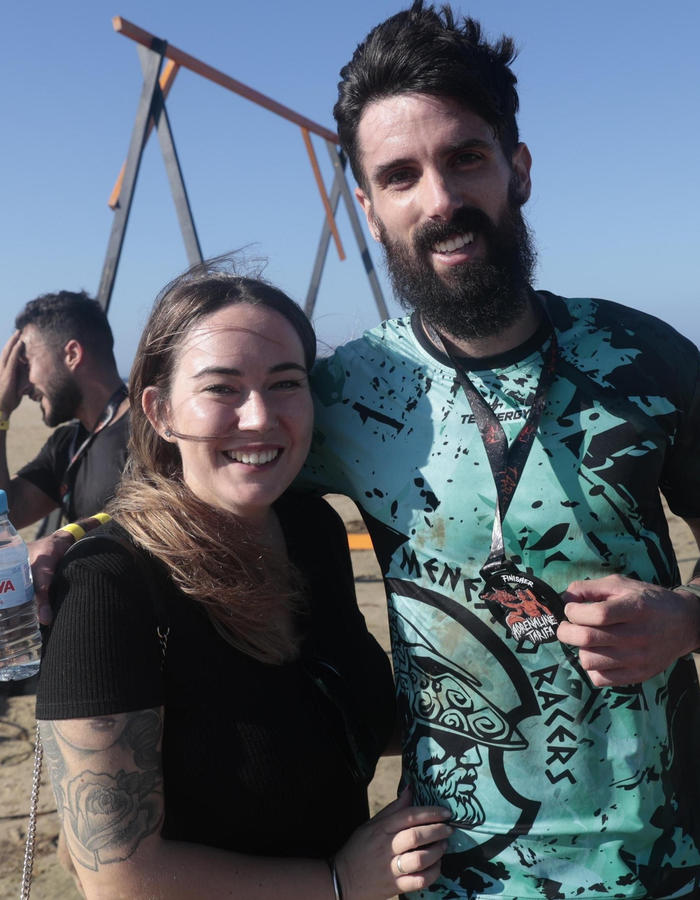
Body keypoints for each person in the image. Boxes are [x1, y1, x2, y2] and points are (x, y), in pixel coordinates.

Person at [0, 5, 700, 896]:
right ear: (369, 209)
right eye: (400, 176)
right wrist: (63, 550)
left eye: (466, 157)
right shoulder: (339, 393)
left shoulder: (647, 359)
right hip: (454, 868)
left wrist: (695, 616)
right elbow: (200, 480)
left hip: (668, 862)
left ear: (518, 168)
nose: (441, 201)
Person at [32, 265, 453, 899]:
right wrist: (338, 882)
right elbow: (117, 877)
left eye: (285, 383)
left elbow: (343, 716)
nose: (258, 417)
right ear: (160, 411)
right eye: (222, 388)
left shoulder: (311, 530)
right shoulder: (107, 584)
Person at [0, 291, 131, 528]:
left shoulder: (150, 432)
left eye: (26, 365)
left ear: (72, 355)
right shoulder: (66, 446)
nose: (22, 387)